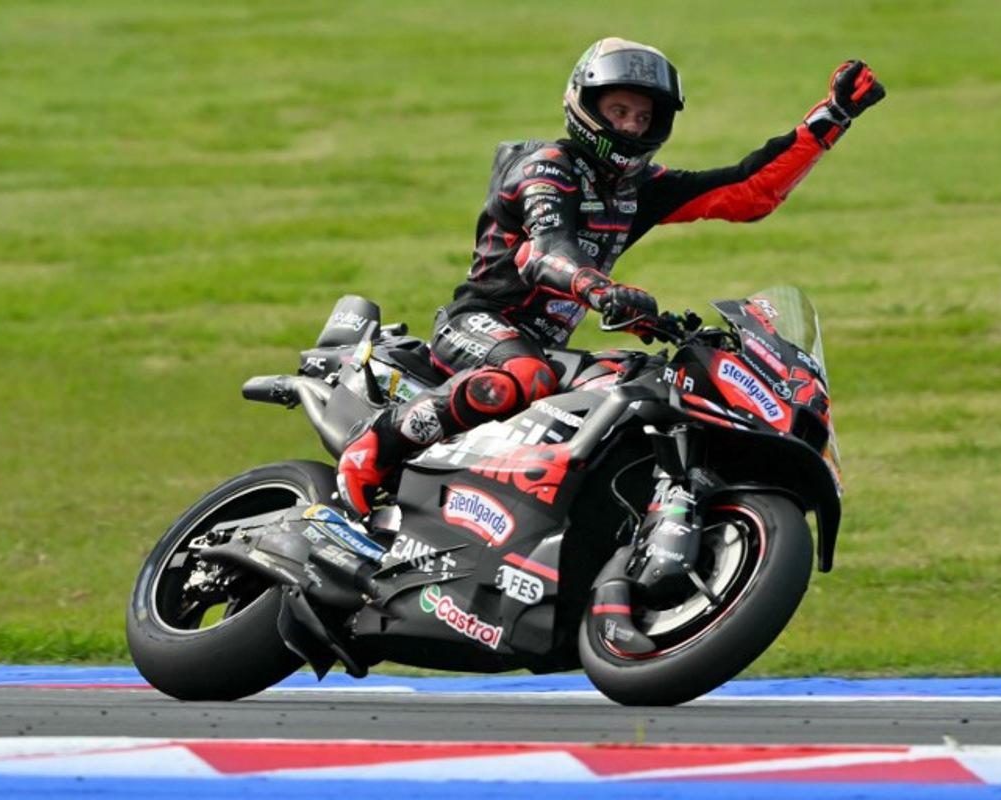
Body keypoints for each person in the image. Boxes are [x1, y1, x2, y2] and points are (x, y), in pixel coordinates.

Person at [336, 37, 885, 516]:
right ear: (586, 104)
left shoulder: (637, 187)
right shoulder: (544, 168)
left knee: (640, 387)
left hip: (548, 347)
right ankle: (375, 446)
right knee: (524, 375)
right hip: (478, 324)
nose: (630, 125)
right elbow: (546, 252)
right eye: (619, 110)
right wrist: (602, 290)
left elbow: (746, 193)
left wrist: (832, 118)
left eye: (642, 118)